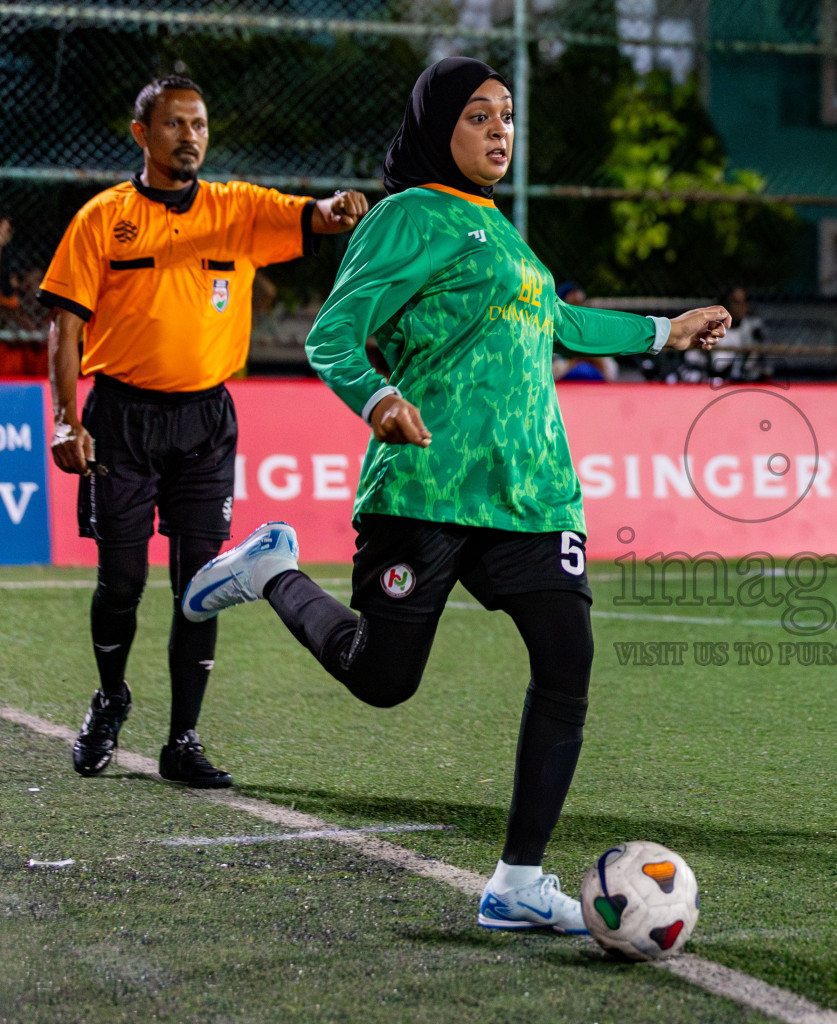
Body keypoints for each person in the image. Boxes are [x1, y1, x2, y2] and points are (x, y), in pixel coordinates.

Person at [180, 57, 728, 933]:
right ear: (441, 129)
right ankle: (274, 570)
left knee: (567, 657)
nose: (499, 131)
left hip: (530, 493)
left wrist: (667, 328)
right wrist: (381, 399)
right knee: (384, 681)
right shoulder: (407, 217)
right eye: (479, 117)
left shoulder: (503, 233)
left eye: (506, 116)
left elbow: (564, 322)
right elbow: (333, 336)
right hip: (429, 487)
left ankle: (516, 882)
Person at [40, 74, 369, 787]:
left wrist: (337, 208)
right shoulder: (103, 217)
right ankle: (110, 699)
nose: (190, 137)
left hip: (205, 422)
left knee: (202, 584)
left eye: (199, 125)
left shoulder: (239, 209)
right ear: (142, 134)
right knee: (121, 581)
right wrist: (66, 420)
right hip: (120, 419)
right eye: (174, 125)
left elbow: (309, 214)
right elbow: (63, 326)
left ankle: (182, 742)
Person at [551, 281, 619, 382]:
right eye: (572, 304)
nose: (578, 309)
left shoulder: (592, 333)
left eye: (580, 304)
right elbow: (547, 373)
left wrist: (593, 359)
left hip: (594, 388)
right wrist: (576, 361)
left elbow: (611, 372)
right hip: (562, 386)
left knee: (586, 370)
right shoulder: (551, 333)